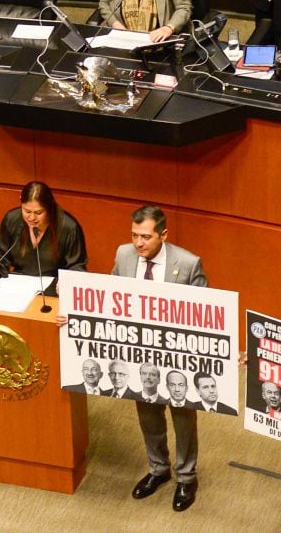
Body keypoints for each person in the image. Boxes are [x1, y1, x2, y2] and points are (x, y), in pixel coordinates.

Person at [114, 204, 208, 512]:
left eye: (145, 237)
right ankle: (158, 469)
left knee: (182, 417)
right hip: (139, 354)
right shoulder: (123, 256)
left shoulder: (189, 263)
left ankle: (186, 477)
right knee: (148, 413)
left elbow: (205, 312)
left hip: (177, 355)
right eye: (134, 235)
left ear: (163, 235)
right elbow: (108, 296)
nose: (138, 243)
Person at [0, 181, 88, 294]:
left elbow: (76, 266)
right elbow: (1, 254)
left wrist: (68, 282)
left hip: (53, 290)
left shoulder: (68, 227)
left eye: (38, 213)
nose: (31, 218)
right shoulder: (12, 219)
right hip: (17, 287)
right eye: (27, 211)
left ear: (49, 209)